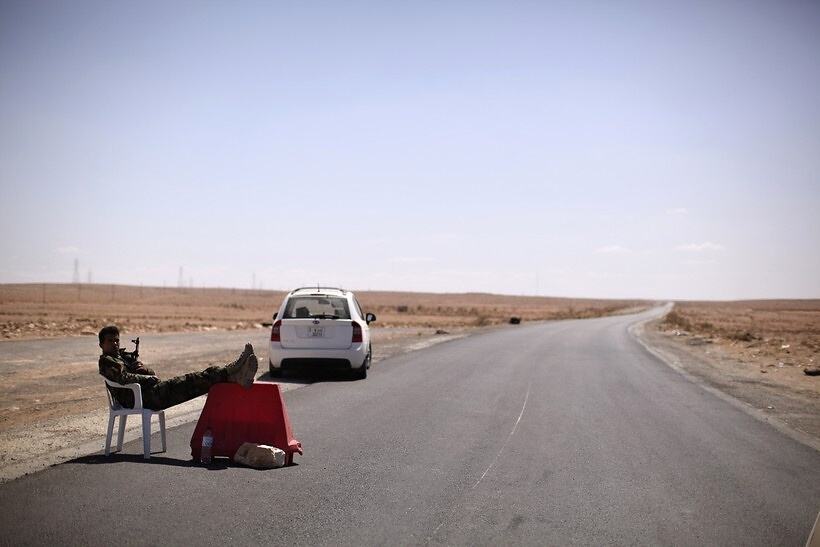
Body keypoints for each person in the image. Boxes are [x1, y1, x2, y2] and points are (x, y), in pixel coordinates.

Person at [98, 325, 258, 411]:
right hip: (141, 399)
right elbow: (123, 378)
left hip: (149, 394)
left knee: (194, 383)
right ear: (101, 345)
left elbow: (151, 374)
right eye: (110, 341)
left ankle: (233, 375)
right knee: (192, 380)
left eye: (117, 340)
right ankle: (231, 371)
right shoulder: (106, 361)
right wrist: (147, 378)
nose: (115, 343)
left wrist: (144, 370)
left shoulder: (121, 358)